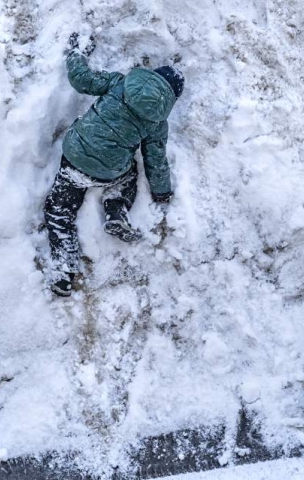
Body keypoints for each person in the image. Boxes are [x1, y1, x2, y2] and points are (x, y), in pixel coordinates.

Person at [44, 32, 184, 296]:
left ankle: (64, 274)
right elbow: (155, 160)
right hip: (109, 172)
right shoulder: (157, 123)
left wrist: (77, 54)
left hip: (75, 155)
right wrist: (161, 191)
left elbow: (81, 79)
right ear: (170, 99)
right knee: (129, 176)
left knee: (59, 211)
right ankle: (116, 207)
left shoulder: (120, 83)